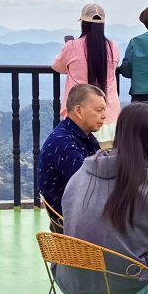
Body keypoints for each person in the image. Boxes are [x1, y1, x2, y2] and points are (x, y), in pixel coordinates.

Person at [55, 103, 148, 294]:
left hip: (70, 277)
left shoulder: (82, 172)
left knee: (92, 246)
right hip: (125, 279)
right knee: (143, 256)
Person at [51, 3, 121, 148]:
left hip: (80, 117)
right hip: (108, 116)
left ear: (83, 23)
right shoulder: (112, 47)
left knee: (80, 166)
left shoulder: (72, 46)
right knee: (106, 166)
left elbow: (57, 66)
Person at [38, 84, 105, 230]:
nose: (104, 116)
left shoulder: (83, 136)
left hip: (82, 214)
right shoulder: (63, 144)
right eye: (99, 110)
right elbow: (92, 185)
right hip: (73, 226)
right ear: (79, 111)